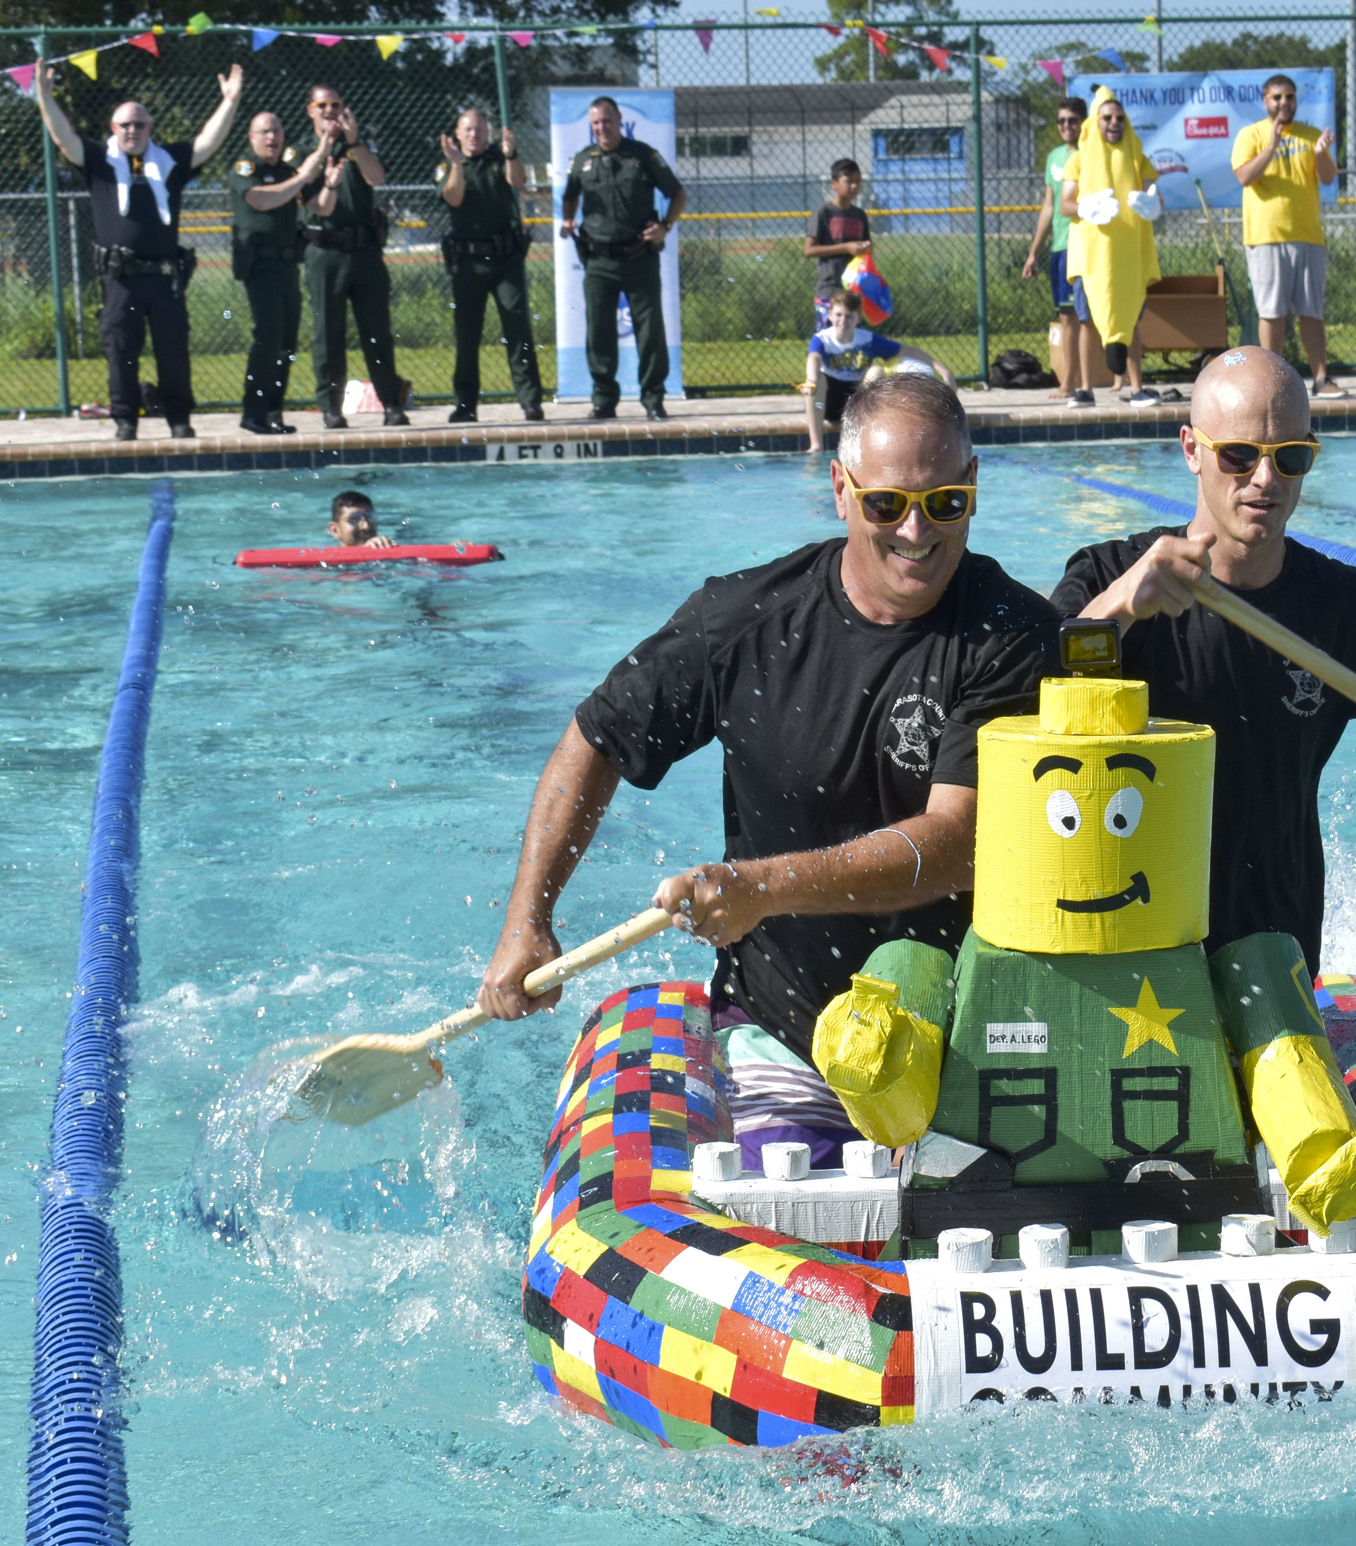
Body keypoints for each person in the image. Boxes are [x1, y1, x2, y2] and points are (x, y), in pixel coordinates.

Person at [477, 373, 1057, 1167]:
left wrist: (762, 888)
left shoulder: (1013, 635)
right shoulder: (744, 622)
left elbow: (959, 843)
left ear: (974, 489)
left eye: (945, 503)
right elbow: (596, 739)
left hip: (968, 1031)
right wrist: (528, 919)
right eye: (888, 504)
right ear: (841, 490)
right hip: (788, 1033)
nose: (917, 531)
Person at [1049, 346, 1356, 972]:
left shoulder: (1349, 610)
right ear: (1190, 449)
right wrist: (1121, 608)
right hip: (1126, 948)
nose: (1265, 479)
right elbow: (1030, 695)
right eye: (1238, 456)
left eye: (1289, 457)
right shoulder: (1109, 575)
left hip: (1273, 950)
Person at [33, 59, 243, 442]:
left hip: (165, 279)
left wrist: (229, 101)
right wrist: (45, 97)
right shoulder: (100, 161)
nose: (132, 130)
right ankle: (126, 421)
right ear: (113, 129)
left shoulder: (169, 162)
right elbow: (65, 139)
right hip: (121, 280)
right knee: (120, 355)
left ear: (150, 129)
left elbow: (208, 143)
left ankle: (179, 420)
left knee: (174, 355)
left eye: (139, 124)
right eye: (125, 124)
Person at [561, 96, 686, 422]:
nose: (602, 128)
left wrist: (666, 226)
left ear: (618, 121)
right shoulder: (582, 160)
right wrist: (567, 219)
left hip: (639, 257)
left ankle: (653, 399)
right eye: (596, 123)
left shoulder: (643, 156)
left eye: (607, 121)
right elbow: (570, 195)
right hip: (598, 261)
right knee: (598, 332)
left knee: (650, 332)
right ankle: (603, 400)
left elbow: (678, 193)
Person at [1231, 73, 1345, 399]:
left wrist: (1322, 153)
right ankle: (1274, 381)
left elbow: (1326, 178)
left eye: (1289, 97)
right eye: (1277, 97)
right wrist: (1271, 147)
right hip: (1266, 237)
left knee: (1312, 312)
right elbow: (1244, 177)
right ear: (1265, 101)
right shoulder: (1250, 135)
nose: (1284, 103)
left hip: (1308, 236)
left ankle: (1322, 379)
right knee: (1272, 312)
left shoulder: (1311, 135)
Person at [302, 82, 408, 429]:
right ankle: (331, 407)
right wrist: (325, 149)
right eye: (323, 106)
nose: (330, 111)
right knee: (327, 334)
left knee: (377, 331)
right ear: (311, 111)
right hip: (326, 252)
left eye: (336, 104)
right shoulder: (301, 150)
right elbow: (315, 202)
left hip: (364, 252)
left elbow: (376, 177)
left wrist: (354, 143)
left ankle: (391, 403)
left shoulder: (358, 146)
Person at [437, 107, 544, 424]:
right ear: (458, 134)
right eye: (468, 130)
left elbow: (519, 182)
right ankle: (466, 404)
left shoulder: (501, 158)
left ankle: (530, 401)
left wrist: (512, 155)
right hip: (468, 263)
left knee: (517, 327)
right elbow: (453, 198)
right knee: (467, 335)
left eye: (480, 129)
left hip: (505, 260)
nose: (474, 135)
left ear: (488, 132)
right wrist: (456, 164)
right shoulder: (449, 165)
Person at [227, 112, 332, 435]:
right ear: (251, 137)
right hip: (261, 266)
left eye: (276, 131)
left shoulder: (288, 172)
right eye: (265, 132)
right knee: (268, 335)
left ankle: (274, 411)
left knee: (286, 341)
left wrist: (331, 181)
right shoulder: (246, 169)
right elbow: (260, 200)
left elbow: (322, 207)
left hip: (287, 266)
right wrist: (301, 178)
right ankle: (254, 411)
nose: (272, 138)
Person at [1061, 88, 1162, 409]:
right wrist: (1084, 207)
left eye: (1119, 118)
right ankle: (1085, 389)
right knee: (1088, 320)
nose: (1114, 123)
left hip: (1128, 255)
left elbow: (1154, 195)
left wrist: (1151, 205)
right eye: (1107, 118)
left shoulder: (1137, 157)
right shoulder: (1079, 158)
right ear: (1096, 121)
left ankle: (1137, 388)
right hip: (1092, 257)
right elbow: (1065, 203)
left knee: (1130, 317)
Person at [802, 288, 948, 453]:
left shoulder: (868, 339)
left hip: (856, 403)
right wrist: (811, 379)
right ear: (830, 315)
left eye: (849, 316)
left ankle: (864, 441)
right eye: (838, 315)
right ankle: (816, 445)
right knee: (816, 382)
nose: (843, 320)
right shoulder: (822, 339)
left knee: (876, 371)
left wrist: (943, 370)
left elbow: (907, 350)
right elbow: (814, 358)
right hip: (825, 405)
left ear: (858, 318)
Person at [1020, 97, 1087, 399]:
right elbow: (1048, 208)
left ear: (1083, 121)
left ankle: (1108, 381)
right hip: (1062, 248)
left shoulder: (1092, 154)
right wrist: (1035, 252)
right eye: (1061, 121)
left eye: (1072, 120)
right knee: (1068, 316)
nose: (1066, 126)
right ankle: (1070, 383)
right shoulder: (1054, 157)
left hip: (1088, 245)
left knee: (1096, 315)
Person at [806, 157, 872, 331]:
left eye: (858, 182)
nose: (854, 186)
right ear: (834, 183)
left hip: (854, 291)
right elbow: (809, 249)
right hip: (829, 290)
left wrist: (866, 249)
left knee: (855, 344)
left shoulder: (860, 215)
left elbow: (867, 247)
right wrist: (846, 247)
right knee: (828, 342)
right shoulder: (824, 212)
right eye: (849, 181)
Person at [327, 489, 394, 549]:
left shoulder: (386, 550)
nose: (366, 526)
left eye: (370, 517)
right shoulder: (324, 562)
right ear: (335, 530)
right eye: (354, 520)